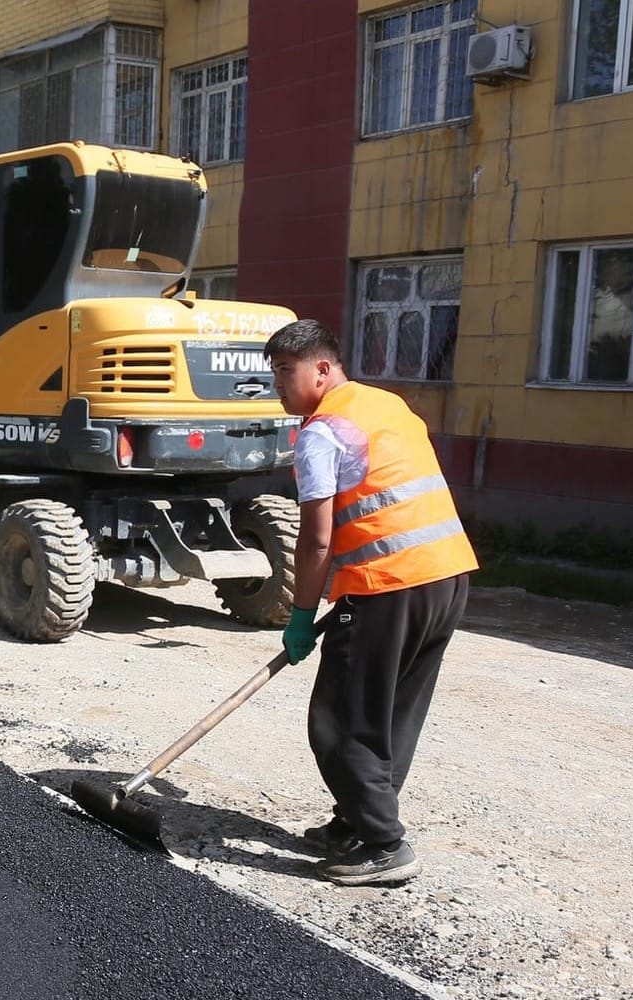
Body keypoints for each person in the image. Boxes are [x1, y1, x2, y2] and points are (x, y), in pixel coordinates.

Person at [267, 319, 478, 887]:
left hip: (387, 583)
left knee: (338, 723)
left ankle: (385, 844)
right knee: (390, 716)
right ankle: (355, 823)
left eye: (287, 373)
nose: (279, 387)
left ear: (322, 368)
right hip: (447, 576)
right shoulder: (386, 405)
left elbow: (315, 539)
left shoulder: (320, 432)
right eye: (275, 375)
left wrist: (301, 615)